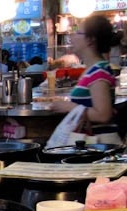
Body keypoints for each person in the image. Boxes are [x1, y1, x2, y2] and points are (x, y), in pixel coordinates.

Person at [51, 15, 122, 145]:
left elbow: (103, 115)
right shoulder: (92, 70)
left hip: (100, 145)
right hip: (93, 144)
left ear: (90, 40)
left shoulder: (99, 72)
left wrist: (69, 107)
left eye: (78, 32)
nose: (72, 36)